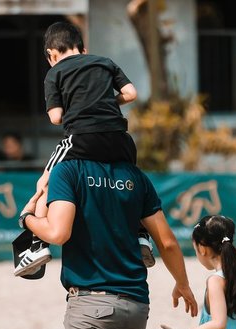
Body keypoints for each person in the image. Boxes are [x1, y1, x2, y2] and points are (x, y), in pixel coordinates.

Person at [19, 156, 198, 329]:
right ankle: (141, 238)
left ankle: (31, 249)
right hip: (137, 307)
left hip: (91, 308)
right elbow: (169, 243)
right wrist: (182, 283)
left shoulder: (67, 171)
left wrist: (27, 219)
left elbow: (58, 233)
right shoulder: (136, 176)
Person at [14, 21, 154, 277]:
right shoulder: (104, 62)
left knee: (45, 182)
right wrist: (105, 100)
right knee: (128, 180)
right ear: (82, 48)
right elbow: (131, 94)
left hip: (82, 137)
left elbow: (56, 118)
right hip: (121, 140)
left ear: (51, 54)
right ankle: (141, 235)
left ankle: (37, 245)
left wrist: (78, 106)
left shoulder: (54, 73)